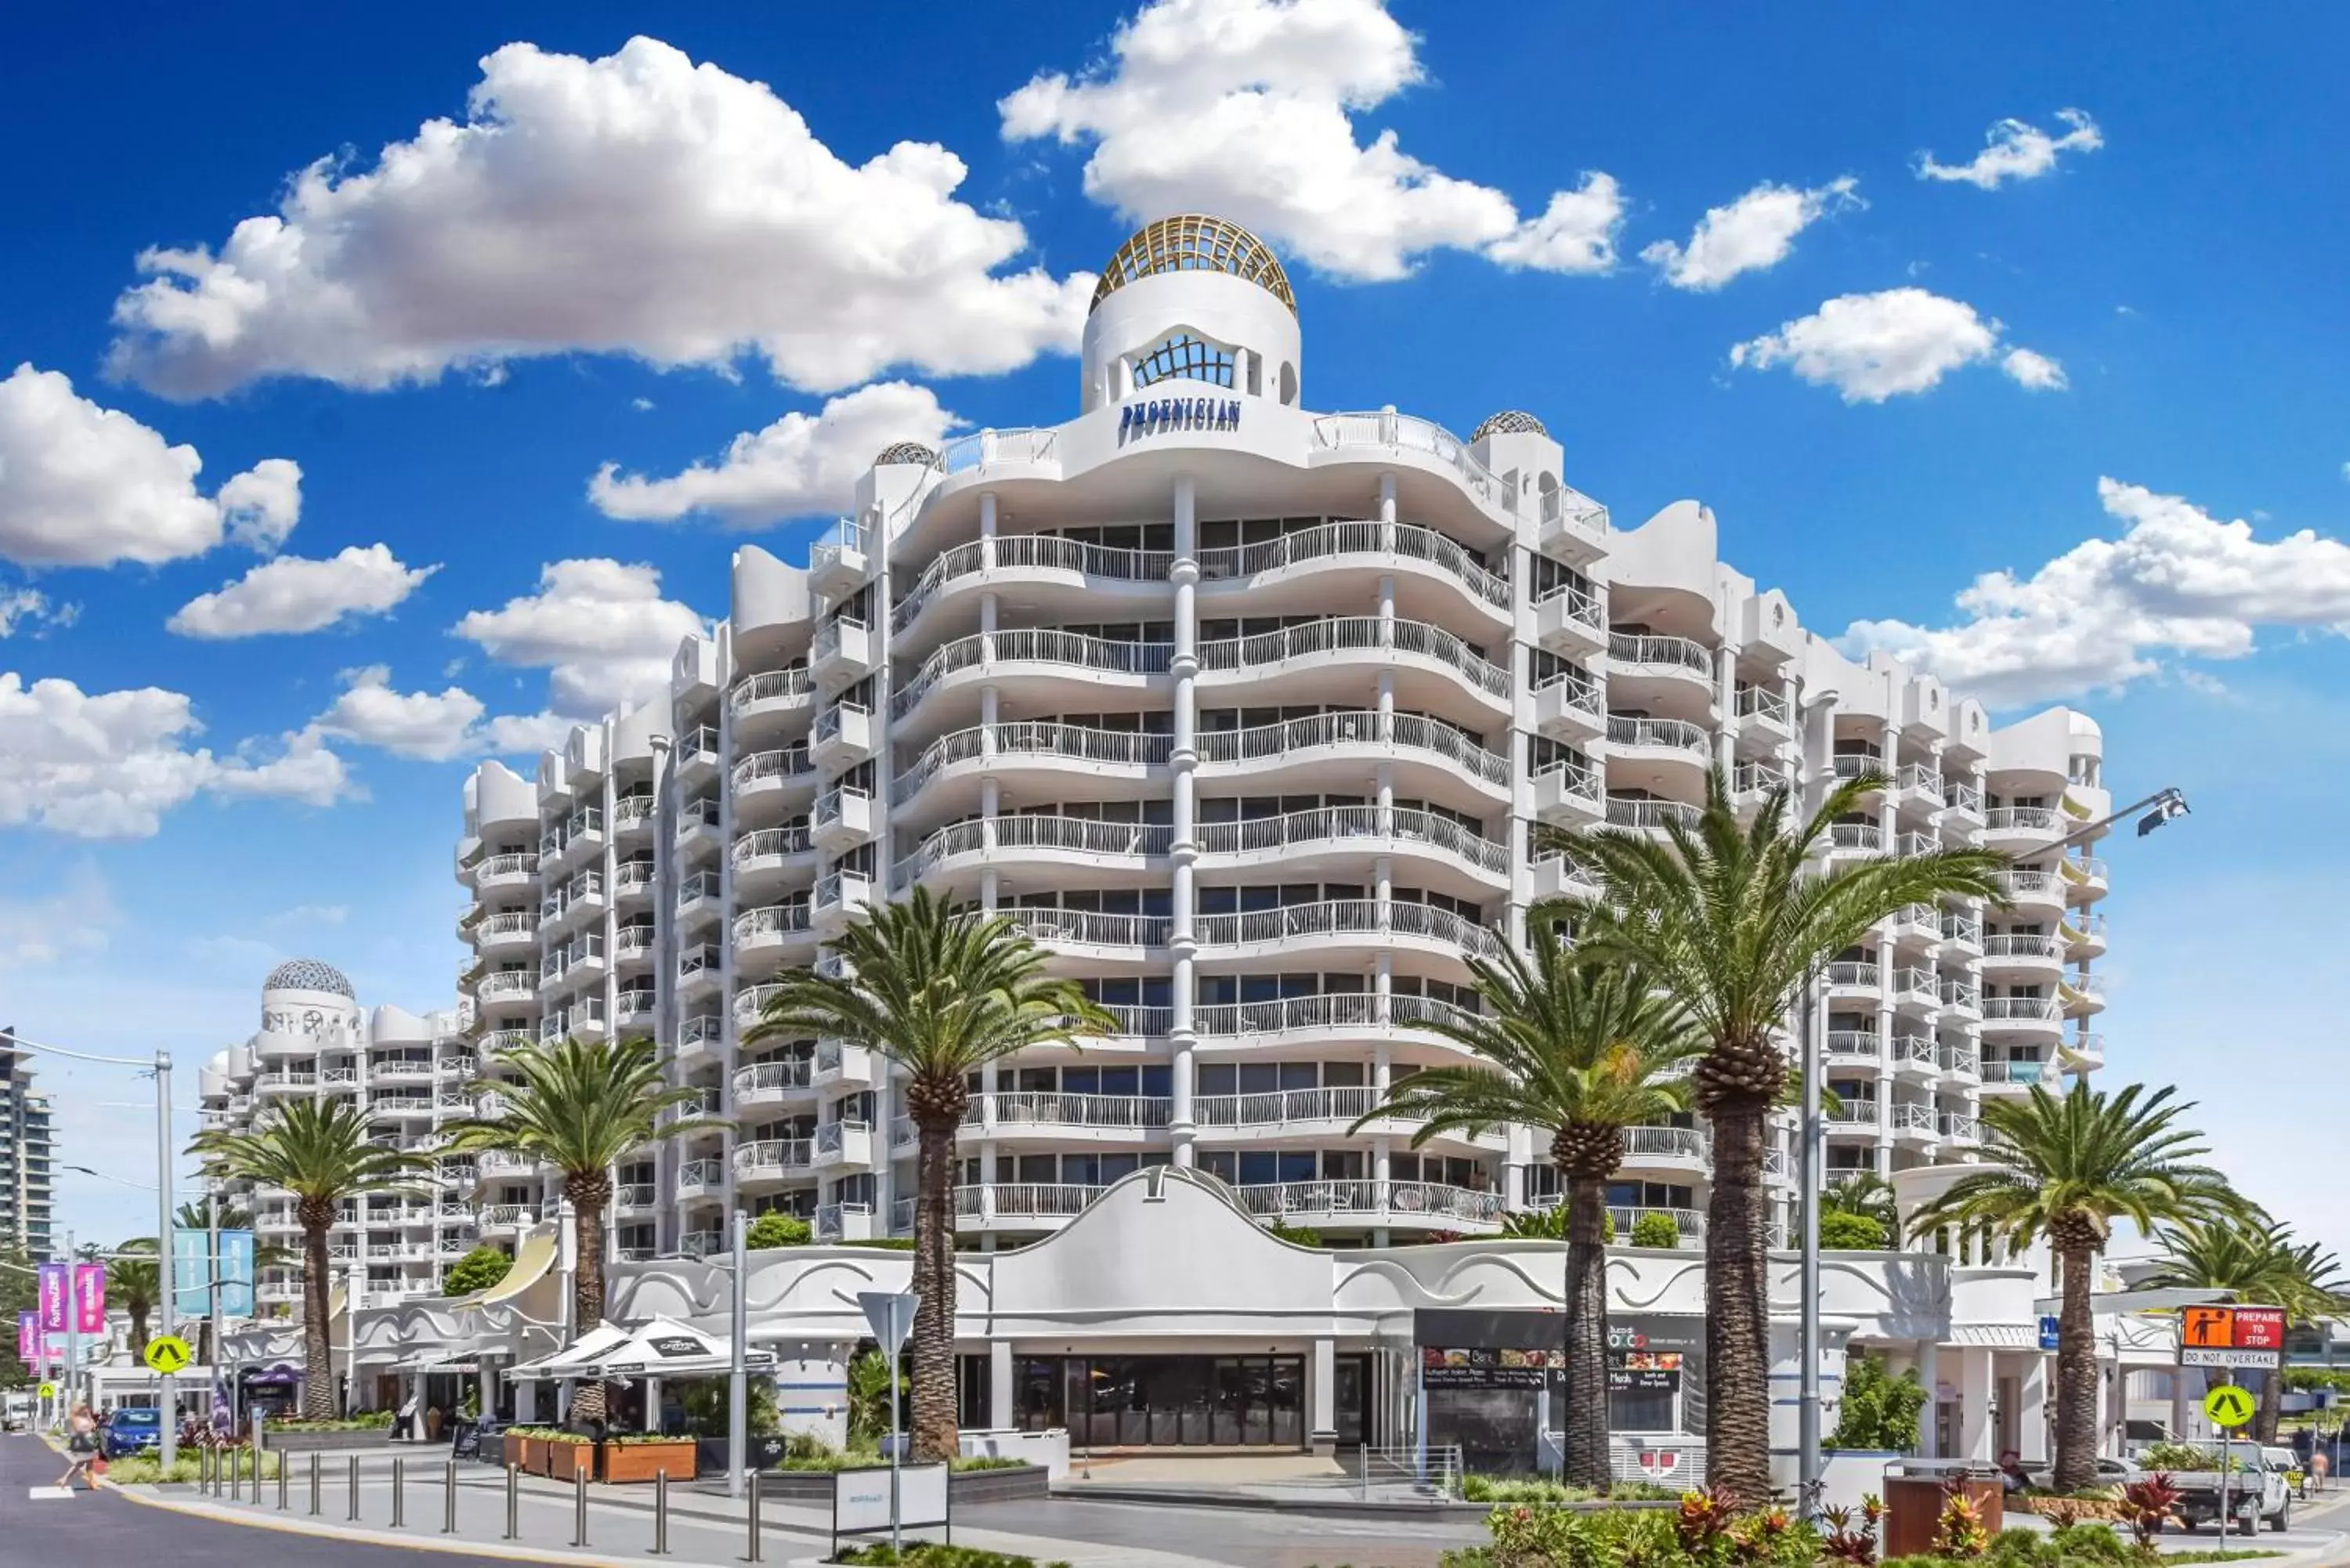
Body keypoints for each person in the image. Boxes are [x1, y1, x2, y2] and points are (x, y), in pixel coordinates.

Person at [57, 1407, 101, 1491]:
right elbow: (89, 1429)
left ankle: (66, 1479)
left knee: (83, 1464)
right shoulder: (85, 1421)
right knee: (87, 1464)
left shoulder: (83, 1420)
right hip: (86, 1444)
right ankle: (91, 1483)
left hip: (85, 1443)